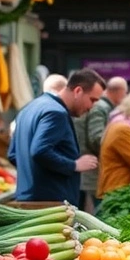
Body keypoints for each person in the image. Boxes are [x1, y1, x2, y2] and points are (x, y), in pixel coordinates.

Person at [9, 69, 106, 204]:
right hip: (50, 204)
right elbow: (39, 150)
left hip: (28, 198)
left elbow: (13, 154)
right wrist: (74, 165)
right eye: (92, 100)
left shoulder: (29, 108)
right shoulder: (56, 112)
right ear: (78, 91)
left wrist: (32, 175)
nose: (92, 107)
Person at [78, 76, 128, 211]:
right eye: (125, 93)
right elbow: (96, 138)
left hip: (96, 170)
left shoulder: (105, 107)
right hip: (94, 172)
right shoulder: (101, 108)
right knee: (97, 212)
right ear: (119, 92)